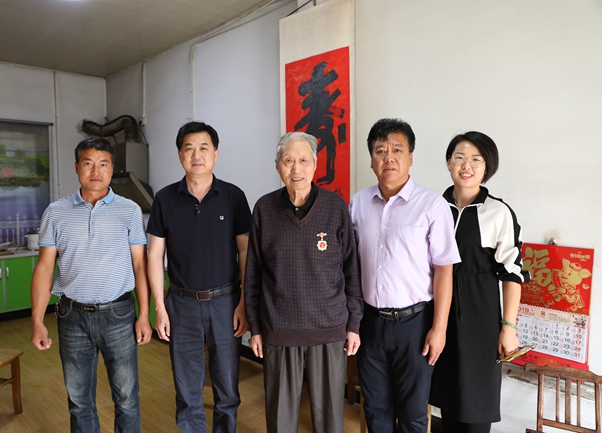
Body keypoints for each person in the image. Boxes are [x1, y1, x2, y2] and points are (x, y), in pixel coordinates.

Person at [30, 137, 152, 433]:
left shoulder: (130, 210)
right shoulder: (55, 212)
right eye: (88, 163)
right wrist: (37, 320)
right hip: (72, 317)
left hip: (120, 315)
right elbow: (45, 267)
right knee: (79, 401)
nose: (95, 171)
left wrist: (145, 315)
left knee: (127, 399)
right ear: (76, 167)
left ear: (112, 168)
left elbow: (140, 265)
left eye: (103, 164)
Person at [244, 131, 363, 433]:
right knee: (280, 419)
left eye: (303, 160)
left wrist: (354, 324)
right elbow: (253, 273)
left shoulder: (335, 207)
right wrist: (255, 327)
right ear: (277, 166)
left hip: (330, 328)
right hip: (279, 327)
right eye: (288, 161)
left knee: (330, 418)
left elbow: (352, 270)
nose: (296, 168)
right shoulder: (264, 209)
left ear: (315, 164)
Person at [349, 118, 460, 433]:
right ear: (371, 160)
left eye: (397, 150)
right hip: (370, 323)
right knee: (375, 410)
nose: (389, 158)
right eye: (380, 151)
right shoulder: (358, 203)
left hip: (415, 325)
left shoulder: (432, 205)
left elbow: (444, 270)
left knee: (413, 413)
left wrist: (439, 329)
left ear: (411, 157)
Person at [146, 121, 251, 433]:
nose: (196, 155)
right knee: (187, 387)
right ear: (180, 155)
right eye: (189, 148)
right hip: (182, 304)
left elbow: (246, 252)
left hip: (226, 302)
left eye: (204, 147)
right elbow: (155, 255)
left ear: (215, 154)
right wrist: (159, 307)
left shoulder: (233, 196)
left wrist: (244, 303)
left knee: (227, 387)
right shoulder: (165, 199)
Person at [429, 132, 531, 433]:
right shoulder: (434, 206)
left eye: (476, 160)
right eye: (459, 158)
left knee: (476, 405)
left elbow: (512, 274)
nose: (466, 166)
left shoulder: (498, 212)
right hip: (439, 316)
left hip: (480, 318)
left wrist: (508, 328)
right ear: (449, 162)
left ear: (488, 167)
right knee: (446, 400)